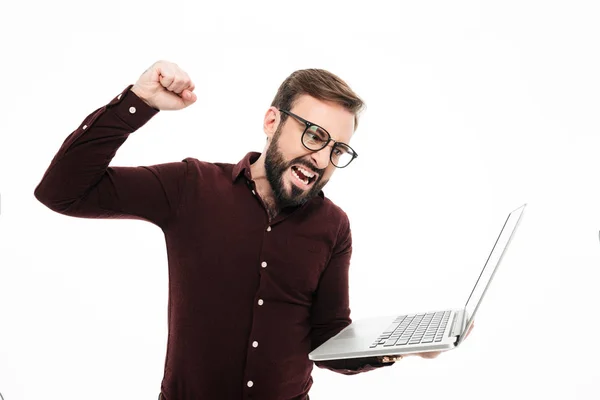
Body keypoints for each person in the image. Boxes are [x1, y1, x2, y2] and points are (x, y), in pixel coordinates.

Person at [34, 60, 460, 400]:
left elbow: (327, 338)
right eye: (314, 135)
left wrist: (394, 347)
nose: (322, 158)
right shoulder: (191, 187)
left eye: (337, 148)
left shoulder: (334, 226)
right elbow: (62, 191)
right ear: (272, 121)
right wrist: (138, 102)